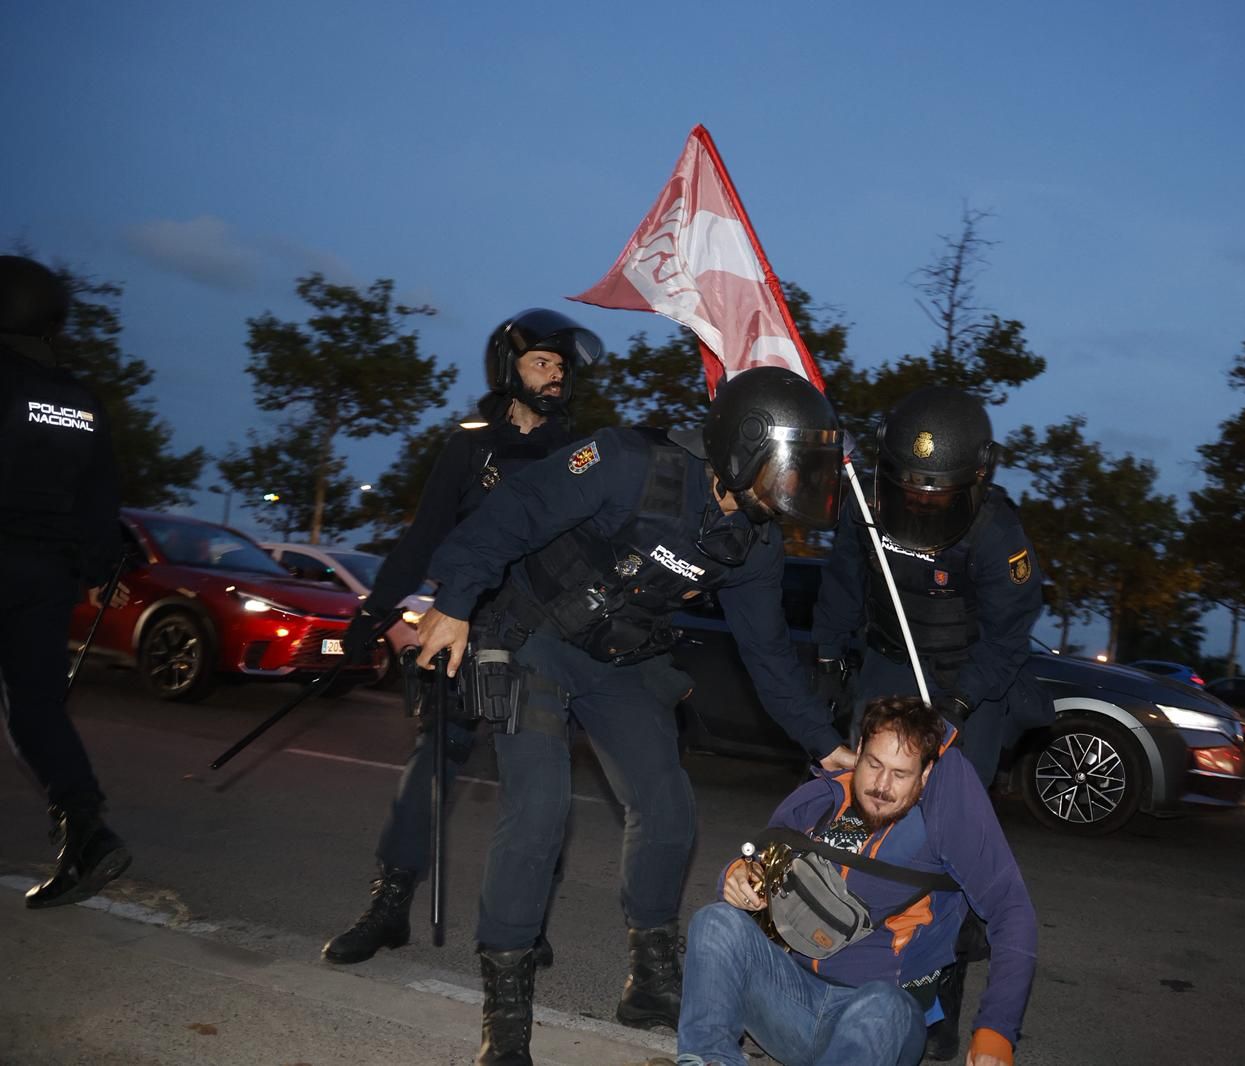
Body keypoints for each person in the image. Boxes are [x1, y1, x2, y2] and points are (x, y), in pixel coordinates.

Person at [414, 365, 853, 1066]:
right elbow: (517, 509)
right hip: (533, 639)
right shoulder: (625, 463)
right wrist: (456, 601)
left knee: (669, 806)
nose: (797, 488)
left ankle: (650, 979)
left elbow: (768, 654)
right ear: (742, 450)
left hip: (618, 663)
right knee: (539, 811)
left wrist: (825, 743)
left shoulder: (755, 543)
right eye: (790, 469)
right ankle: (507, 1006)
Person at [321, 308, 599, 966]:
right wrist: (366, 623)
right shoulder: (469, 446)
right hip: (462, 629)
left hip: (538, 640)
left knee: (541, 784)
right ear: (508, 370)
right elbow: (421, 541)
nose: (555, 376)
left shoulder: (578, 454)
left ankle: (525, 922)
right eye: (541, 363)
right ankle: (388, 905)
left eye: (562, 367)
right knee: (430, 770)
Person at [809, 386, 1050, 1056]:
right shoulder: (867, 505)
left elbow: (1008, 639)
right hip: (888, 670)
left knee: (947, 847)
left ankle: (940, 1003)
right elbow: (841, 582)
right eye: (908, 487)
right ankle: (839, 961)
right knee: (861, 820)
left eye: (935, 492)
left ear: (973, 482)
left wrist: (960, 705)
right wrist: (829, 657)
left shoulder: (998, 536)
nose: (918, 502)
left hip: (970, 686)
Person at [677, 695, 1037, 1066]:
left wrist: (996, 1030)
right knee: (715, 921)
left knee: (882, 1005)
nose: (881, 785)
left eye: (900, 774)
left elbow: (1011, 910)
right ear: (860, 749)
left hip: (878, 1019)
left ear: (926, 775)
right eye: (874, 764)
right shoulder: (823, 797)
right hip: (791, 999)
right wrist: (737, 873)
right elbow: (762, 858)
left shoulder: (943, 817)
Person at [0, 255, 128, 908]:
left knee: (32, 711)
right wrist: (101, 565)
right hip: (46, 577)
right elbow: (100, 500)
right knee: (36, 709)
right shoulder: (79, 400)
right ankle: (88, 833)